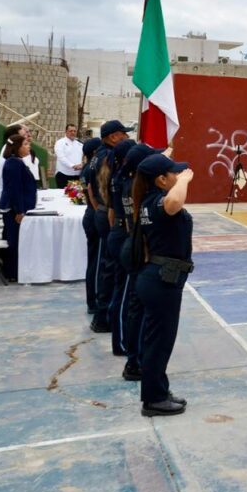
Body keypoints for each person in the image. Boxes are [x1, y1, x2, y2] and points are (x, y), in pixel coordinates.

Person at [133, 153, 194, 417]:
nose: (178, 175)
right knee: (159, 342)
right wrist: (184, 181)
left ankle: (158, 389)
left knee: (157, 341)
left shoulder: (149, 200)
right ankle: (154, 399)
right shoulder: (159, 201)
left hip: (158, 278)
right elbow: (174, 202)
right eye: (173, 173)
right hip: (162, 280)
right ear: (161, 180)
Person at [118, 143, 158, 382]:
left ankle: (132, 354)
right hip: (138, 251)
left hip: (131, 244)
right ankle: (135, 360)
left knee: (134, 306)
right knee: (137, 309)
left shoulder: (128, 183)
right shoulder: (140, 190)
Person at [90, 120, 133, 333]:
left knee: (104, 266)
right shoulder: (108, 157)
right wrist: (109, 213)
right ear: (113, 137)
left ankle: (100, 312)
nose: (126, 137)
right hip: (110, 214)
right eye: (123, 134)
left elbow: (92, 187)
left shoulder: (99, 155)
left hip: (104, 211)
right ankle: (103, 316)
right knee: (110, 270)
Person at [106, 138, 137, 355]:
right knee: (123, 292)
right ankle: (121, 342)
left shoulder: (117, 176)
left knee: (121, 289)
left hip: (117, 230)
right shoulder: (125, 181)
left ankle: (121, 338)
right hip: (122, 232)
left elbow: (111, 211)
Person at [0, 134, 38, 282]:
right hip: (14, 210)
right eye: (25, 144)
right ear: (17, 147)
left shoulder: (17, 161)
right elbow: (15, 189)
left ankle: (14, 270)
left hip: (17, 207)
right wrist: (19, 210)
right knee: (14, 240)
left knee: (16, 239)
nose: (28, 147)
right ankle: (11, 271)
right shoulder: (13, 163)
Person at [80, 137, 102, 314]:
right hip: (94, 214)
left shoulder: (87, 167)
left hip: (91, 214)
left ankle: (94, 299)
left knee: (95, 259)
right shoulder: (92, 169)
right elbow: (92, 192)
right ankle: (94, 301)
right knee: (96, 261)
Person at [54, 124, 84, 188]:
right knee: (63, 194)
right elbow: (61, 157)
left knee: (77, 194)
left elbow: (84, 157)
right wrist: (72, 165)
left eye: (74, 131)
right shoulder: (60, 142)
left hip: (77, 176)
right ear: (66, 131)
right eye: (70, 131)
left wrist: (82, 164)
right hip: (63, 175)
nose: (73, 133)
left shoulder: (80, 144)